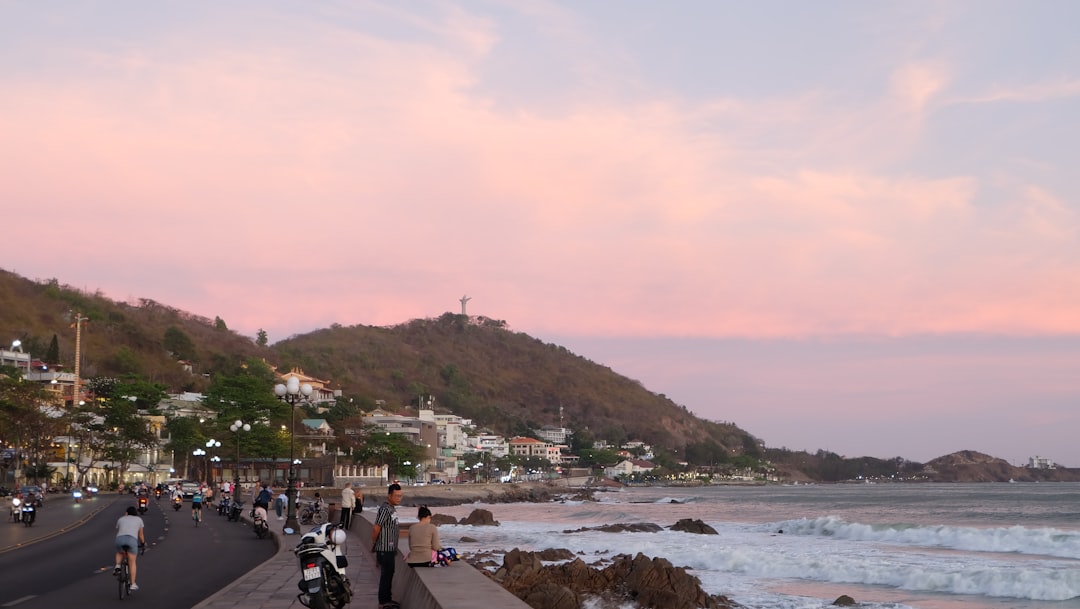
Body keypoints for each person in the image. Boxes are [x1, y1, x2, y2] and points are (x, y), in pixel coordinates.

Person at [371, 483, 403, 609]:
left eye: (400, 496)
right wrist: (374, 543)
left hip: (390, 548)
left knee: (389, 574)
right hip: (384, 548)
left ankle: (387, 599)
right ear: (389, 495)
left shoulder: (392, 508)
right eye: (396, 496)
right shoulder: (385, 509)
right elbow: (376, 528)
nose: (399, 498)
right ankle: (383, 602)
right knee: (386, 575)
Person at [114, 506, 146, 591]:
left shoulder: (121, 519)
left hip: (119, 539)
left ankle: (117, 566)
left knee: (119, 552)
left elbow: (119, 529)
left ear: (126, 513)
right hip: (131, 540)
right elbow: (141, 535)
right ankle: (132, 584)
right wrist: (142, 544)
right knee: (132, 562)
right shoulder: (139, 520)